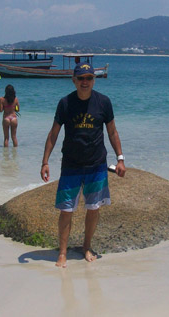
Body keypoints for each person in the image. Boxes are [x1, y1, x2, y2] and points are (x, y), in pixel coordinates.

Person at [41, 63, 126, 268]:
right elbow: (53, 134)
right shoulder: (65, 103)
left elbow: (112, 132)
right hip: (71, 165)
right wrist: (45, 161)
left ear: (94, 80)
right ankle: (62, 252)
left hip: (96, 165)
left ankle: (86, 246)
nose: (85, 82)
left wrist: (120, 158)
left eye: (89, 78)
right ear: (74, 80)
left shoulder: (103, 103)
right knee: (66, 210)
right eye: (81, 78)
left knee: (93, 208)